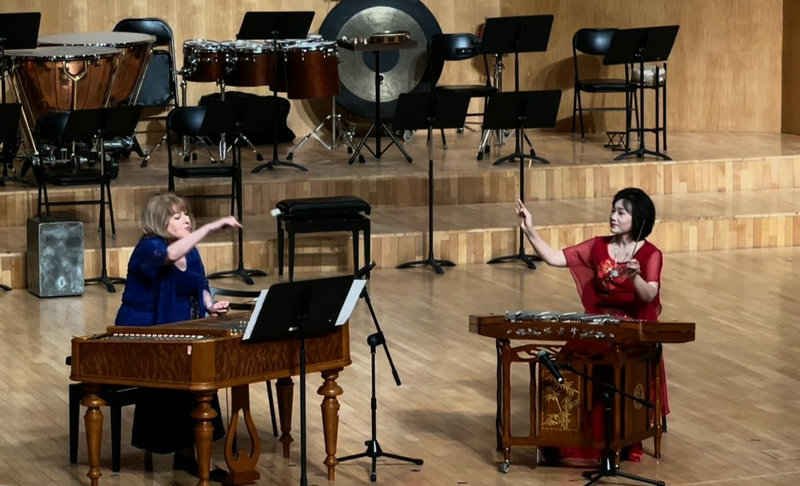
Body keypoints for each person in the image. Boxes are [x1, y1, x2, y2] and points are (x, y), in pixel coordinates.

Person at [516, 187, 666, 462]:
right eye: (613, 210)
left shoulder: (651, 254)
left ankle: (613, 438)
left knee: (609, 365)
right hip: (599, 327)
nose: (613, 216)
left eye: (621, 212)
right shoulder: (597, 247)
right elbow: (555, 257)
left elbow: (649, 295)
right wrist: (529, 230)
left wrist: (635, 277)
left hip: (631, 332)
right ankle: (565, 436)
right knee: (565, 362)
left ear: (638, 219)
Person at [115, 193, 241, 481]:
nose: (186, 220)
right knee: (185, 372)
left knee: (200, 371)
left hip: (181, 331)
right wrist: (209, 227)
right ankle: (199, 459)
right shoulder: (148, 247)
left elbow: (200, 284)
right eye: (177, 216)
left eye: (186, 214)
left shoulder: (191, 251)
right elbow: (169, 256)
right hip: (143, 335)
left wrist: (210, 305)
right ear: (160, 222)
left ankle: (190, 453)